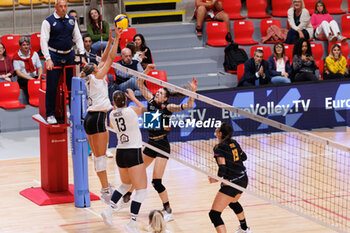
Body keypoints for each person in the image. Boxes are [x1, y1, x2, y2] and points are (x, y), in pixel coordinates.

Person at [117, 76, 198, 223]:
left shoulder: (167, 108)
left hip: (162, 145)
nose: (157, 94)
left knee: (156, 181)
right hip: (150, 144)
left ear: (165, 99)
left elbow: (188, 106)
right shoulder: (151, 101)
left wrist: (192, 92)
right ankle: (127, 197)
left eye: (160, 93)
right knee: (137, 173)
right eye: (158, 92)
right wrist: (146, 71)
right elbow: (140, 83)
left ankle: (168, 210)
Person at [81, 26, 120, 204]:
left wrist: (110, 40)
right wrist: (118, 38)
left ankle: (105, 188)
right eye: (97, 66)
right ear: (94, 70)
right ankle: (105, 191)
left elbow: (104, 58)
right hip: (97, 119)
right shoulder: (97, 77)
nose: (99, 64)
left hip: (90, 119)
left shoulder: (92, 77)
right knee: (101, 157)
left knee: (98, 157)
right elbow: (110, 59)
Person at [101, 89, 148, 233]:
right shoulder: (131, 110)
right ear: (125, 100)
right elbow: (145, 110)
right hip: (133, 151)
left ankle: (109, 211)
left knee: (126, 185)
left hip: (120, 152)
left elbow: (114, 126)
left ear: (114, 103)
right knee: (142, 190)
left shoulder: (112, 114)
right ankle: (131, 224)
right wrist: (133, 97)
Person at [40, 0, 85, 124]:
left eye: (65, 6)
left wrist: (81, 53)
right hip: (54, 56)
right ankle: (50, 114)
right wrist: (48, 58)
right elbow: (43, 41)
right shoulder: (48, 21)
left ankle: (74, 113)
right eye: (61, 6)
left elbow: (78, 37)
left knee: (72, 86)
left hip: (69, 55)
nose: (63, 8)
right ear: (56, 7)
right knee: (52, 87)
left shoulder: (71, 20)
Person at [208, 122, 251, 233]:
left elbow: (222, 168)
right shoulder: (234, 143)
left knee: (214, 214)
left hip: (232, 183)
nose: (216, 129)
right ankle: (244, 229)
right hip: (243, 179)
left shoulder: (219, 147)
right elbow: (244, 157)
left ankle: (244, 229)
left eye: (217, 129)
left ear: (220, 133)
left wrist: (215, 179)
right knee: (232, 201)